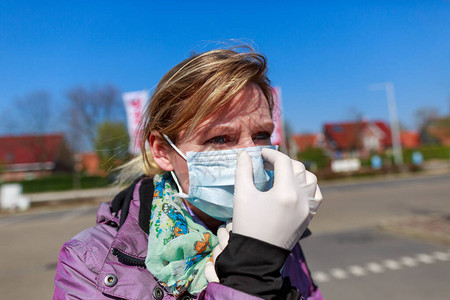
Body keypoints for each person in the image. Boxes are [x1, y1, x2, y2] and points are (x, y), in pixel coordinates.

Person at [54, 46, 324, 300]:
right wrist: (249, 273)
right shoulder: (88, 260)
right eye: (220, 138)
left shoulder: (278, 232)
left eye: (262, 134)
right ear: (162, 151)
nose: (250, 155)